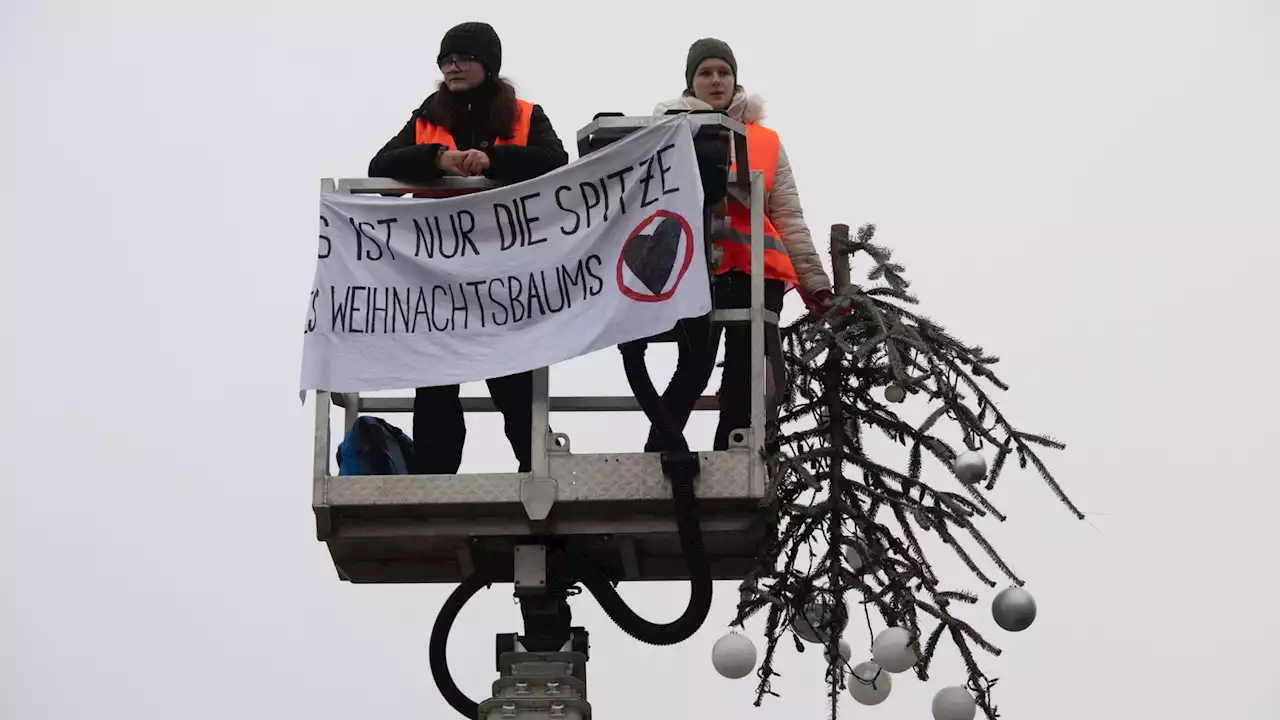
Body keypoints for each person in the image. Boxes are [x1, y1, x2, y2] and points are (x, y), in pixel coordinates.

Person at [367, 21, 569, 474]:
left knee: (513, 380)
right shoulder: (426, 116)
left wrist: (494, 161)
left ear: (487, 64)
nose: (452, 67)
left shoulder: (524, 114)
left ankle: (535, 469)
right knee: (436, 381)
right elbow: (380, 168)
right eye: (446, 60)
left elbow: (555, 162)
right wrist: (436, 160)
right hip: (439, 273)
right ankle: (434, 478)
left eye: (463, 58)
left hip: (506, 272)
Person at [646, 38, 835, 452]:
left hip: (757, 270)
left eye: (724, 73)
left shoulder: (765, 140)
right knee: (692, 369)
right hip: (695, 270)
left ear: (735, 79)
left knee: (745, 375)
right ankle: (657, 456)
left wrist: (814, 283)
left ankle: (731, 456)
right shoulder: (664, 132)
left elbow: (788, 216)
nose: (716, 81)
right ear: (690, 83)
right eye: (706, 73)